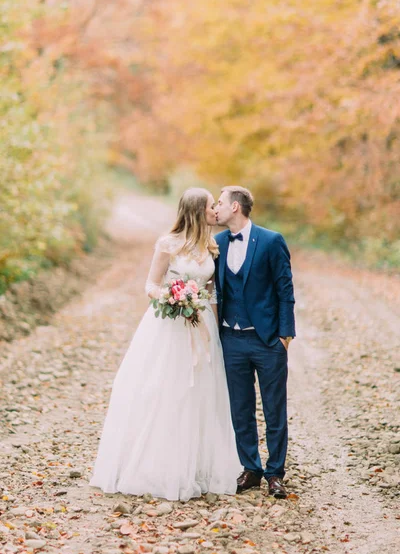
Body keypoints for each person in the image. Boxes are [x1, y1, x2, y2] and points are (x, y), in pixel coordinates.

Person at [90, 188, 241, 501]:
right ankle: (157, 467)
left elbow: (212, 291)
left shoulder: (211, 246)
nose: (215, 210)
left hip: (203, 327)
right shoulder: (168, 243)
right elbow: (150, 285)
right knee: (166, 389)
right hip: (169, 325)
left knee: (200, 392)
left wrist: (216, 325)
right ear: (197, 210)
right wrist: (173, 297)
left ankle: (197, 466)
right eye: (211, 206)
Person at [214, 186, 295, 499]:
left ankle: (275, 473)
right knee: (241, 409)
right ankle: (251, 468)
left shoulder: (272, 241)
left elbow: (285, 289)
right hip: (230, 339)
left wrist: (285, 336)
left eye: (219, 203)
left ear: (235, 207)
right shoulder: (217, 243)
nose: (215, 209)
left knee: (274, 409)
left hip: (267, 340)